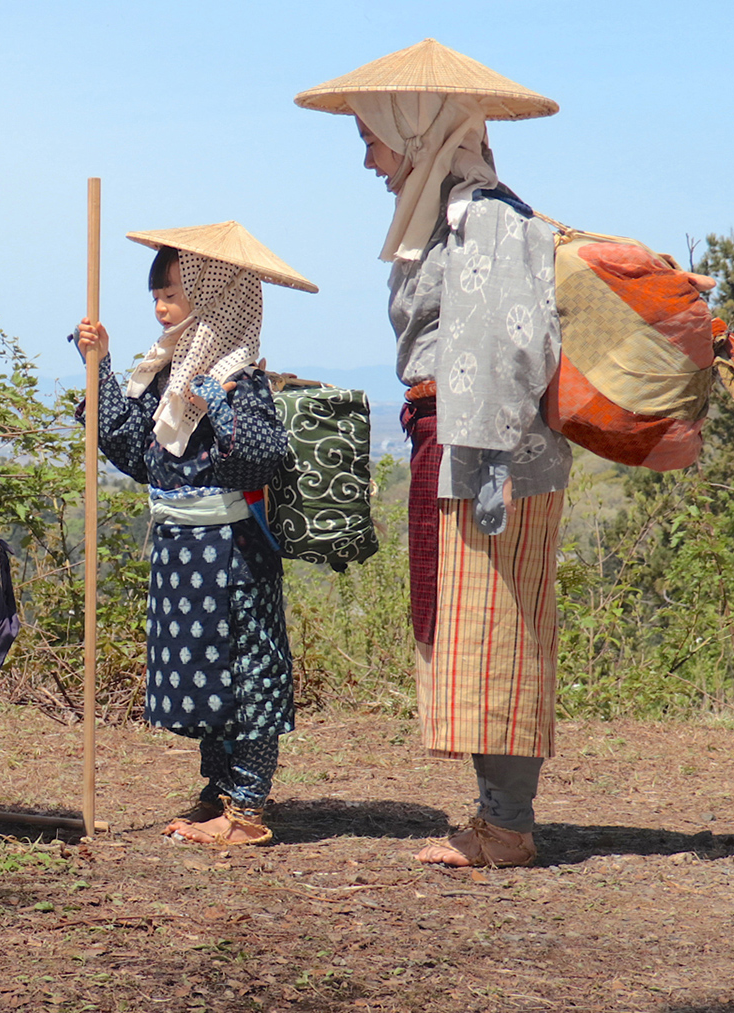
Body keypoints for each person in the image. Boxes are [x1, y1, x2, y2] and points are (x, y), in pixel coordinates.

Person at [296, 39, 570, 866]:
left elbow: (513, 350)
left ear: (415, 130)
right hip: (457, 440)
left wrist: (484, 463)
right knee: (472, 623)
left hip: (485, 450)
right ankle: (496, 816)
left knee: (498, 625)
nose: (371, 159)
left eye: (374, 138)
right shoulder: (444, 217)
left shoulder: (483, 217)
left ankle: (507, 826)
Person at [76, 222, 316, 847]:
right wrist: (98, 366)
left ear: (214, 297)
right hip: (181, 554)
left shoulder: (239, 379)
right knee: (207, 674)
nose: (160, 309)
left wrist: (215, 399)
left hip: (232, 554)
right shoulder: (167, 378)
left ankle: (246, 810)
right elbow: (135, 449)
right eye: (155, 295)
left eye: (173, 295)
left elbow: (261, 457)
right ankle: (220, 791)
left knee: (248, 671)